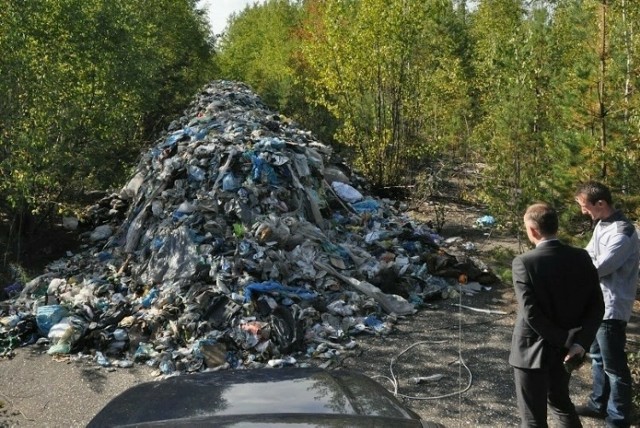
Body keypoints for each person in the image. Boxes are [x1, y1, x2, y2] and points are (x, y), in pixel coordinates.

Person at [509, 203, 604, 427]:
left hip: (532, 352)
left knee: (533, 418)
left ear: (532, 230)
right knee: (561, 404)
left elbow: (531, 313)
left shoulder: (524, 262)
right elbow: (597, 306)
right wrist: (579, 342)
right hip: (566, 351)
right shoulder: (581, 257)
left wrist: (564, 338)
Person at [574, 181, 640, 427]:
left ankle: (618, 418)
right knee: (598, 357)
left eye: (584, 206)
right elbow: (588, 255)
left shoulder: (623, 232)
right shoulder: (603, 224)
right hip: (598, 304)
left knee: (614, 367)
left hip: (612, 308)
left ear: (600, 203)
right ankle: (598, 404)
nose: (583, 211)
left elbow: (600, 266)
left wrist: (572, 273)